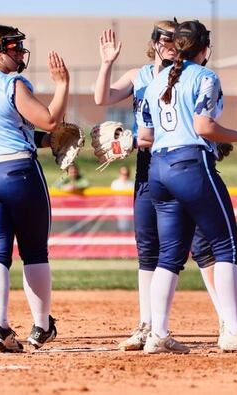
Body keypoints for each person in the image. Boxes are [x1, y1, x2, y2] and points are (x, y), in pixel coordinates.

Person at [138, 20, 237, 354]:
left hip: (158, 168)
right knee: (226, 246)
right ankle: (233, 331)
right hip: (190, 166)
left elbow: (146, 136)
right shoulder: (206, 76)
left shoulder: (155, 83)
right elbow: (203, 126)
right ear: (204, 48)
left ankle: (158, 333)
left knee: (169, 255)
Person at [94, 22, 224, 351]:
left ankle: (227, 321)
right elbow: (102, 98)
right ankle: (147, 325)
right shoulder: (142, 76)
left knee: (202, 245)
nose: (168, 43)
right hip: (148, 165)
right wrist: (107, 63)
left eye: (173, 38)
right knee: (148, 248)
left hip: (178, 160)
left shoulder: (186, 76)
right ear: (152, 42)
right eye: (162, 38)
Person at [0, 25, 68, 352]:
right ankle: (41, 326)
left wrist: (44, 142)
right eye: (14, 49)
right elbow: (49, 119)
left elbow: (7, 130)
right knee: (34, 251)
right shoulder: (13, 83)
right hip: (17, 174)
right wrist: (63, 84)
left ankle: (0, 327)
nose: (21, 54)